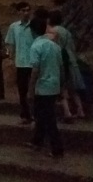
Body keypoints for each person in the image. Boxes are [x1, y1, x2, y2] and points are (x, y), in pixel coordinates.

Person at [27, 17, 64, 158]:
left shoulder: (36, 47)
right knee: (42, 116)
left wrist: (30, 90)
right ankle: (37, 141)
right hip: (54, 85)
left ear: (32, 31)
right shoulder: (55, 46)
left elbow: (35, 70)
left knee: (48, 118)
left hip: (43, 86)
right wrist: (61, 85)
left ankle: (57, 148)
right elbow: (61, 67)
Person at [48, 10, 86, 121]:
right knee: (73, 88)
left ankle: (67, 112)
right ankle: (80, 110)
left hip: (61, 61)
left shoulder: (53, 31)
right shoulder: (67, 32)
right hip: (71, 60)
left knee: (62, 88)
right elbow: (72, 47)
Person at [6, 2, 34, 124]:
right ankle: (25, 114)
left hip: (34, 63)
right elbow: (11, 44)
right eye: (23, 10)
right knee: (22, 90)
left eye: (28, 10)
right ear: (18, 12)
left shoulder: (34, 26)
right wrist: (11, 59)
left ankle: (35, 113)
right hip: (21, 63)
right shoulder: (14, 27)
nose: (26, 13)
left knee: (34, 89)